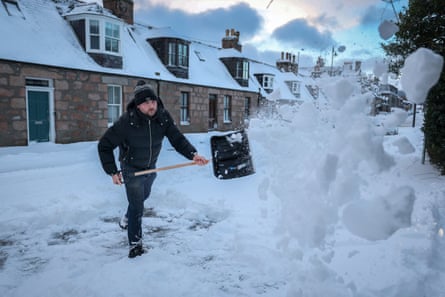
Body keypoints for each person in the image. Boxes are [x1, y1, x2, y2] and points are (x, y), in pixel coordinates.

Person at [98, 80, 208, 258]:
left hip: (150, 167)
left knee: (144, 196)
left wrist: (193, 155)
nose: (151, 106)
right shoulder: (126, 122)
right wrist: (112, 171)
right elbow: (104, 145)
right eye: (147, 102)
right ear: (138, 105)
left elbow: (177, 138)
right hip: (131, 168)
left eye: (153, 101)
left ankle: (126, 218)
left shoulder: (162, 117)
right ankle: (135, 245)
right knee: (137, 206)